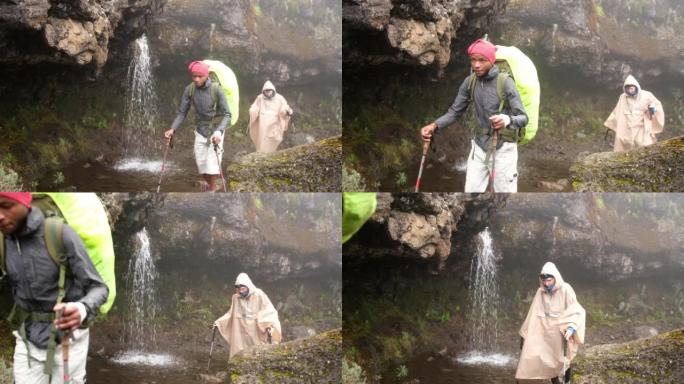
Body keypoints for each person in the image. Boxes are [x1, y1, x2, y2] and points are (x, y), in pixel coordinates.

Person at [0, 193, 108, 383]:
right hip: (27, 338)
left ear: (25, 203)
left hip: (69, 338)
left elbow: (99, 288)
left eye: (6, 206)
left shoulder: (60, 234)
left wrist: (81, 309)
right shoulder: (3, 242)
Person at [421, 39, 528, 193]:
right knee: (470, 192)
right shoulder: (470, 82)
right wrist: (434, 126)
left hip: (503, 148)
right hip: (479, 146)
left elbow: (523, 118)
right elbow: (455, 112)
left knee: (505, 195)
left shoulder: (505, 82)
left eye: (482, 60)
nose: (476, 65)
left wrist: (507, 120)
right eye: (473, 60)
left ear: (491, 61)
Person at [164, 61, 231, 192]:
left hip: (216, 130)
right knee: (201, 165)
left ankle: (211, 190)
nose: (196, 79)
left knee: (212, 164)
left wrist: (218, 132)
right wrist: (172, 129)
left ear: (206, 76)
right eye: (194, 76)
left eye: (199, 76)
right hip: (200, 130)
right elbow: (182, 113)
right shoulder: (190, 89)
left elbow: (227, 114)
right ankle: (212, 185)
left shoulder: (216, 89)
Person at [516, 262, 586, 384]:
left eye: (549, 280)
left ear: (555, 278)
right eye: (544, 281)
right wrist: (525, 332)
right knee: (536, 355)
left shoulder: (566, 289)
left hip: (560, 331)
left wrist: (571, 327)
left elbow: (576, 310)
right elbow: (533, 313)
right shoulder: (540, 292)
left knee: (563, 359)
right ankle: (551, 380)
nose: (546, 284)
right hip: (543, 330)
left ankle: (567, 381)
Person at [213, 272, 282, 358]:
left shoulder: (259, 295)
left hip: (255, 332)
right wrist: (219, 323)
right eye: (238, 289)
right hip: (240, 333)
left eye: (242, 288)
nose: (240, 291)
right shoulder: (236, 298)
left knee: (257, 354)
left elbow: (269, 310)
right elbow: (230, 314)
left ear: (248, 286)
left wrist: (268, 324)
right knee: (238, 354)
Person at [604, 75, 664, 152]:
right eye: (628, 87)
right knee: (624, 143)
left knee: (643, 143)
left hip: (641, 125)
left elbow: (656, 104)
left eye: (632, 87)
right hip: (627, 125)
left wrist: (653, 108)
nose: (630, 89)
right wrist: (610, 124)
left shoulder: (646, 95)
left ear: (636, 86)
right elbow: (617, 111)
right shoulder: (623, 97)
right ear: (625, 88)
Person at [248, 81, 293, 153]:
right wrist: (252, 110)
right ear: (264, 91)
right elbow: (255, 107)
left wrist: (286, 112)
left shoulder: (280, 98)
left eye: (270, 91)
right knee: (262, 139)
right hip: (263, 122)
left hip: (275, 122)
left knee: (275, 138)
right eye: (266, 91)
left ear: (273, 90)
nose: (268, 93)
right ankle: (261, 153)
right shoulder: (260, 98)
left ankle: (272, 152)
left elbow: (284, 108)